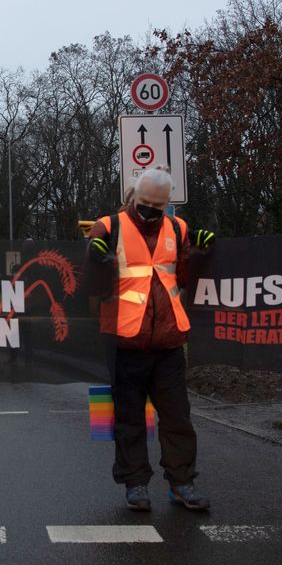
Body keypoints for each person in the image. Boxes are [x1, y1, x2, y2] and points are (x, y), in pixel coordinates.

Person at [85, 167, 215, 511]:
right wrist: (94, 259)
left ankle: (182, 483)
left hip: (169, 342)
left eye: (158, 207)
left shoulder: (178, 227)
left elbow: (185, 278)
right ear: (132, 196)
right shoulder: (108, 227)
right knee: (129, 419)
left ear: (167, 204)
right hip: (125, 343)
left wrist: (200, 253)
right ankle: (136, 484)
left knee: (178, 418)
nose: (149, 212)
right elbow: (90, 287)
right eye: (144, 203)